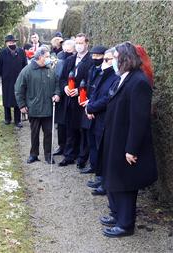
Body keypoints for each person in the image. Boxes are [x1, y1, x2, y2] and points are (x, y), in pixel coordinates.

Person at [100, 41, 157, 238]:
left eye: (115, 57)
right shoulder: (124, 78)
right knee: (114, 179)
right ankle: (117, 214)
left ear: (125, 58)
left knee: (126, 184)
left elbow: (139, 119)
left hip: (126, 143)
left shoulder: (139, 82)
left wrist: (131, 148)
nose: (113, 61)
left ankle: (126, 224)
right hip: (116, 138)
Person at [83, 47, 119, 197]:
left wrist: (91, 108)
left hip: (105, 117)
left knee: (103, 150)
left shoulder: (115, 77)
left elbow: (107, 98)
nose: (103, 62)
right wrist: (90, 107)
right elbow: (96, 91)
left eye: (106, 59)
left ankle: (104, 182)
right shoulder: (103, 73)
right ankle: (100, 177)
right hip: (96, 115)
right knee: (95, 146)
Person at [15, 46, 61, 164]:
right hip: (34, 108)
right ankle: (33, 154)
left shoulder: (50, 69)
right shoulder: (27, 70)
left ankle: (48, 155)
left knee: (49, 133)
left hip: (48, 108)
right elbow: (19, 89)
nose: (49, 58)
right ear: (40, 57)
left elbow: (57, 83)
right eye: (47, 56)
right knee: (34, 133)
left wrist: (57, 93)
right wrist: (21, 105)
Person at [58, 33, 93, 168]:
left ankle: (82, 157)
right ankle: (69, 155)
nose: (79, 45)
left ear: (86, 44)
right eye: (77, 43)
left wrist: (80, 90)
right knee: (70, 128)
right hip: (70, 100)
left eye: (81, 43)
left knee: (83, 130)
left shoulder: (91, 61)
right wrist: (65, 87)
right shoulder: (70, 60)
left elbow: (92, 81)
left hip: (83, 100)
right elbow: (61, 79)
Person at [0, 34, 27, 128]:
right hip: (6, 80)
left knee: (18, 99)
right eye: (9, 42)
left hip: (19, 80)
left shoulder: (21, 52)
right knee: (7, 99)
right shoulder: (2, 53)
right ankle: (7, 118)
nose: (11, 43)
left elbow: (25, 66)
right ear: (6, 43)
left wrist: (26, 78)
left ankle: (18, 120)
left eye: (13, 42)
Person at [53, 39, 76, 156]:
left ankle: (69, 148)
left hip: (71, 96)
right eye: (65, 49)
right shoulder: (59, 60)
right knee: (61, 124)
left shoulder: (75, 60)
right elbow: (58, 77)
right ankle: (61, 145)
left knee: (69, 124)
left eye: (69, 49)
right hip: (61, 95)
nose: (66, 51)